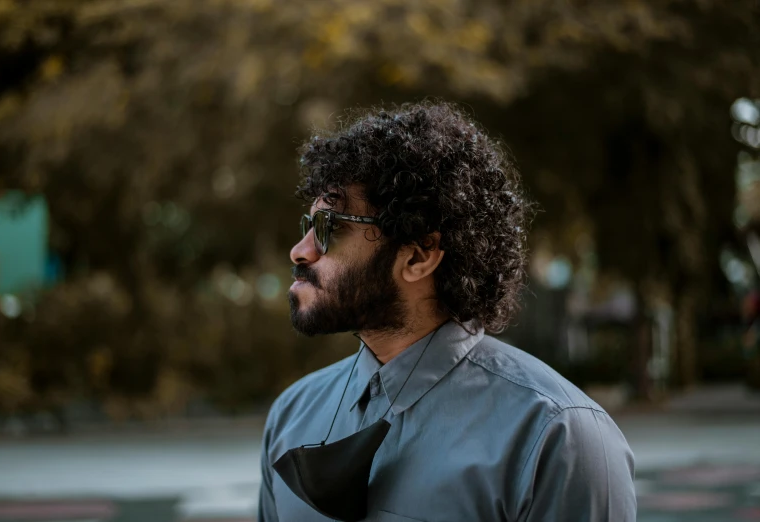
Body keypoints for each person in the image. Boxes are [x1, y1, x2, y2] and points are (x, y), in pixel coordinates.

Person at [258, 102, 636, 522]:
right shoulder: (292, 417)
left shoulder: (556, 436)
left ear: (418, 256)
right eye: (306, 227)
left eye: (330, 228)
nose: (300, 250)